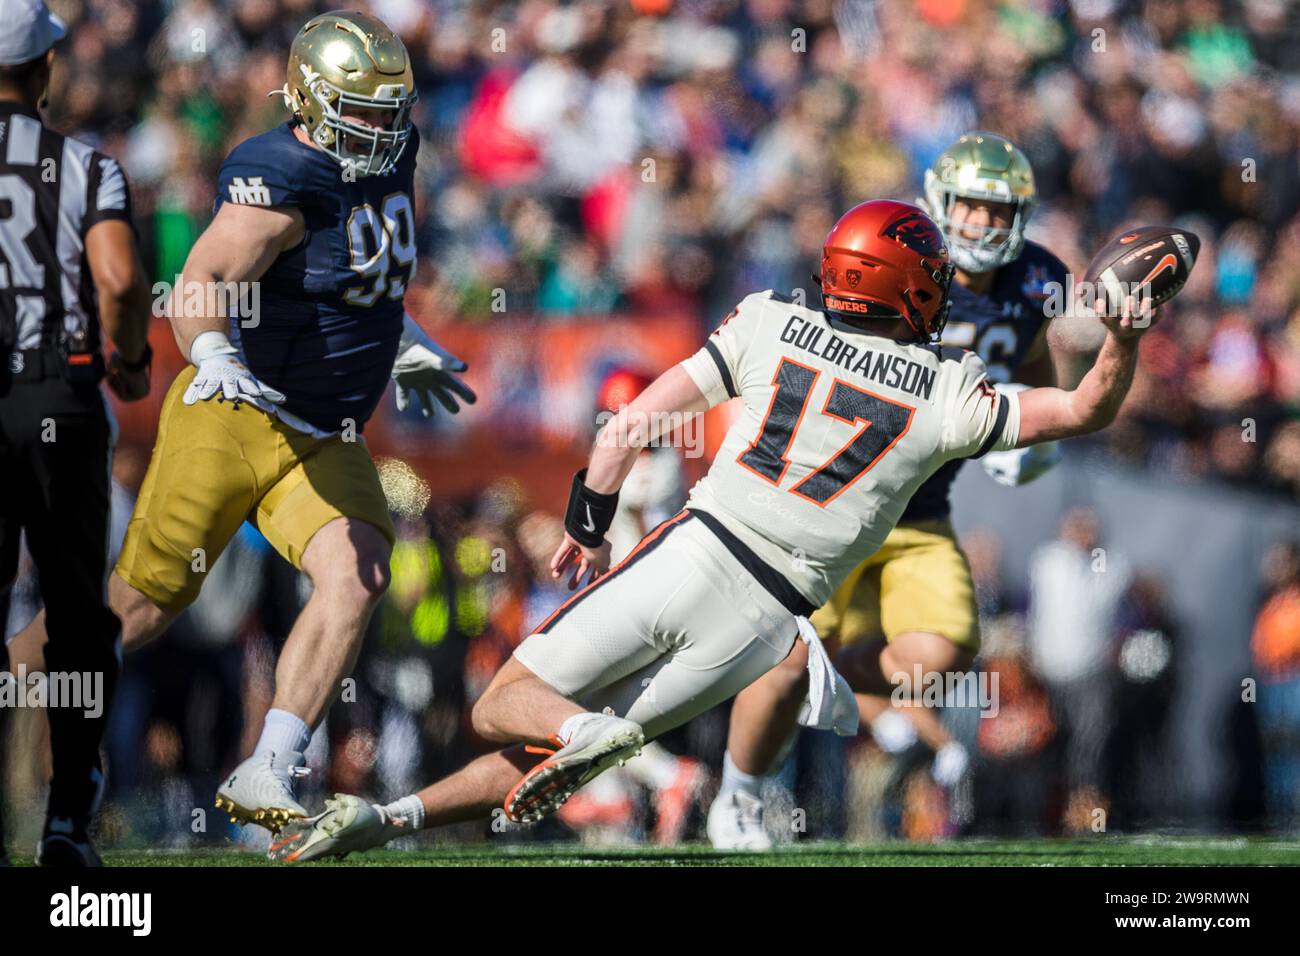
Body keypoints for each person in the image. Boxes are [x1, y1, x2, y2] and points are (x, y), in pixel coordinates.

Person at [265, 198, 1156, 863]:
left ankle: (590, 742)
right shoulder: (947, 390)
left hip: (697, 551)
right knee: (559, 744)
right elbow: (1083, 406)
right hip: (764, 624)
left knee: (508, 707)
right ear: (908, 286)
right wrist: (1122, 337)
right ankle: (386, 823)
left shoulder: (771, 321)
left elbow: (626, 429)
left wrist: (590, 523)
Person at [6, 10, 474, 834]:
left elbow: (353, 277)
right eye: (362, 110)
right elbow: (203, 278)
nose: (382, 128)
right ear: (310, 96)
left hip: (323, 434)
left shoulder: (390, 158)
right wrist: (214, 353)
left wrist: (402, 339)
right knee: (140, 608)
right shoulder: (280, 170)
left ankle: (269, 765)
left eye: (389, 109)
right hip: (238, 411)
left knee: (358, 573)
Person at [707, 132, 1074, 848]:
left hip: (923, 507)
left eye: (999, 213)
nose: (983, 225)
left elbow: (1042, 360)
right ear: (939, 202)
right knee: (778, 653)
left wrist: (1032, 414)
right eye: (970, 207)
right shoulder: (898, 250)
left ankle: (841, 680)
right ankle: (742, 796)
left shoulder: (1038, 281)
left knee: (939, 656)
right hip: (839, 495)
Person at [0, 0, 152, 866]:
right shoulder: (88, 169)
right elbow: (121, 279)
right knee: (74, 616)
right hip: (60, 398)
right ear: (46, 68)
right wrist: (128, 361)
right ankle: (67, 820)